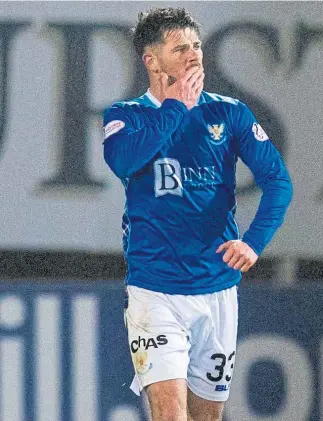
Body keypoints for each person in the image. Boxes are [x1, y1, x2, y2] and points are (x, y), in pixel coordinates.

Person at [103, 7, 293, 421]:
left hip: (217, 289)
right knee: (170, 416)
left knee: (206, 417)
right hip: (155, 290)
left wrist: (254, 242)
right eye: (180, 49)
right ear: (151, 60)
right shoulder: (125, 116)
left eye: (197, 46)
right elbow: (123, 162)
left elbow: (278, 182)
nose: (193, 57)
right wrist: (175, 108)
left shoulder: (230, 113)